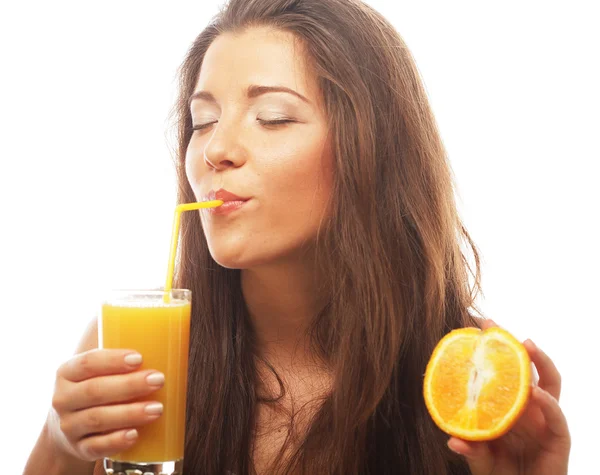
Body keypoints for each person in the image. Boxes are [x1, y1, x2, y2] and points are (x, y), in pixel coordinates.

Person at [24, 0, 571, 473]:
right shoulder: (133, 353)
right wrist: (59, 446)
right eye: (203, 120)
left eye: (274, 117)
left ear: (370, 151)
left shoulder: (465, 378)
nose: (216, 150)